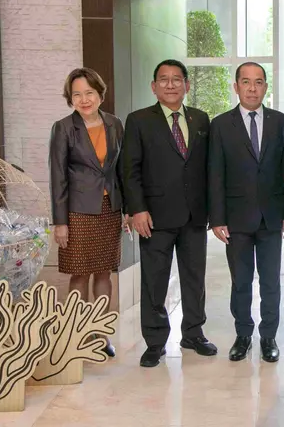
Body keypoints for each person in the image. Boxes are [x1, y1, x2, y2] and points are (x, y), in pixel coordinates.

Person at [120, 59, 216, 368]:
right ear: (154, 86)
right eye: (164, 79)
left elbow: (209, 169)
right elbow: (129, 170)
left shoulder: (201, 119)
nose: (171, 84)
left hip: (194, 216)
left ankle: (193, 333)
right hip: (154, 217)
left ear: (187, 85)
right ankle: (155, 341)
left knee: (194, 279)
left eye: (177, 79)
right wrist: (136, 209)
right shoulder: (138, 120)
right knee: (154, 281)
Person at [209, 62, 284, 363]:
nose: (252, 88)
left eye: (258, 82)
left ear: (265, 87)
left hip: (272, 217)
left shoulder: (281, 122)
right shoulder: (220, 125)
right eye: (245, 82)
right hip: (236, 218)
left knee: (271, 280)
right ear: (236, 86)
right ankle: (243, 334)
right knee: (241, 280)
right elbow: (215, 175)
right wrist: (217, 218)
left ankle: (269, 336)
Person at [49, 67, 124, 358]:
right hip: (78, 212)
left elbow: (120, 170)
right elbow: (57, 176)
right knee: (79, 274)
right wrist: (60, 222)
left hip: (109, 209)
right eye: (77, 94)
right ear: (70, 98)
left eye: (89, 93)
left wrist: (127, 210)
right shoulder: (64, 127)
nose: (84, 99)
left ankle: (100, 333)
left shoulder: (115, 124)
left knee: (104, 272)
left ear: (100, 94)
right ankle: (75, 332)